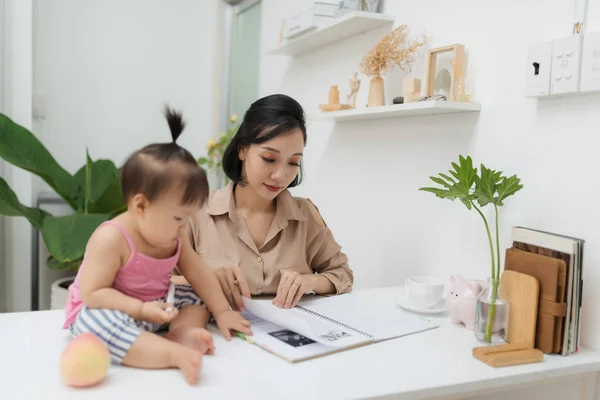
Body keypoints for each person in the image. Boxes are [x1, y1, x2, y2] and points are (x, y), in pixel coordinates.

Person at [62, 106, 252, 385]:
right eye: (178, 217)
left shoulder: (175, 234)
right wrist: (139, 310)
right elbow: (93, 294)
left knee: (198, 298)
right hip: (111, 309)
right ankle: (170, 354)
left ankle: (181, 333)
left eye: (188, 217)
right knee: (97, 324)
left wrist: (223, 312)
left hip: (155, 309)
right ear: (141, 205)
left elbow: (199, 273)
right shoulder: (112, 239)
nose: (183, 226)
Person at [185, 94, 353, 312]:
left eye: (293, 163)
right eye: (269, 159)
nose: (281, 175)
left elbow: (342, 274)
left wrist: (309, 281)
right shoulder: (196, 211)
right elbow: (159, 281)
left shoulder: (305, 215)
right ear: (242, 150)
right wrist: (206, 278)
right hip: (215, 337)